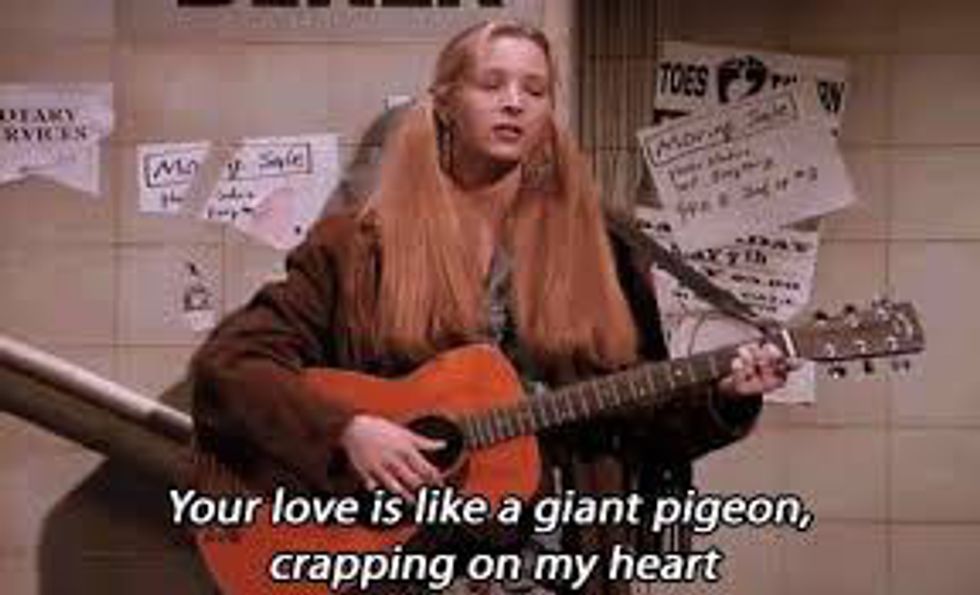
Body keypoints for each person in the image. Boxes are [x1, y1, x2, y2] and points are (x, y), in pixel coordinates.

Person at [191, 20, 791, 595]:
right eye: (492, 84)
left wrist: (724, 398)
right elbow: (231, 366)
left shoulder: (604, 248)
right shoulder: (355, 249)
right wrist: (346, 431)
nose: (514, 103)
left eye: (535, 90)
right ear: (446, 103)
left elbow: (643, 419)